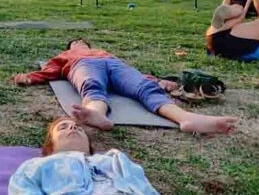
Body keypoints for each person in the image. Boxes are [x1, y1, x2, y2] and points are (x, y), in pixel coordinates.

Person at [13, 39, 237, 134]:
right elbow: (50, 70)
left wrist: (158, 81)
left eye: (82, 42)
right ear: (71, 46)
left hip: (114, 64)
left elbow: (136, 75)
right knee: (92, 86)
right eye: (75, 42)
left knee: (144, 88)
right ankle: (95, 114)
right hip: (84, 66)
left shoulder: (106, 52)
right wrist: (29, 77)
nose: (79, 43)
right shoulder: (69, 55)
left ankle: (184, 118)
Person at [8, 117, 180, 195]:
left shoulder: (115, 159)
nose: (73, 127)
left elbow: (148, 193)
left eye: (78, 128)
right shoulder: (35, 165)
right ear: (49, 147)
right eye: (63, 127)